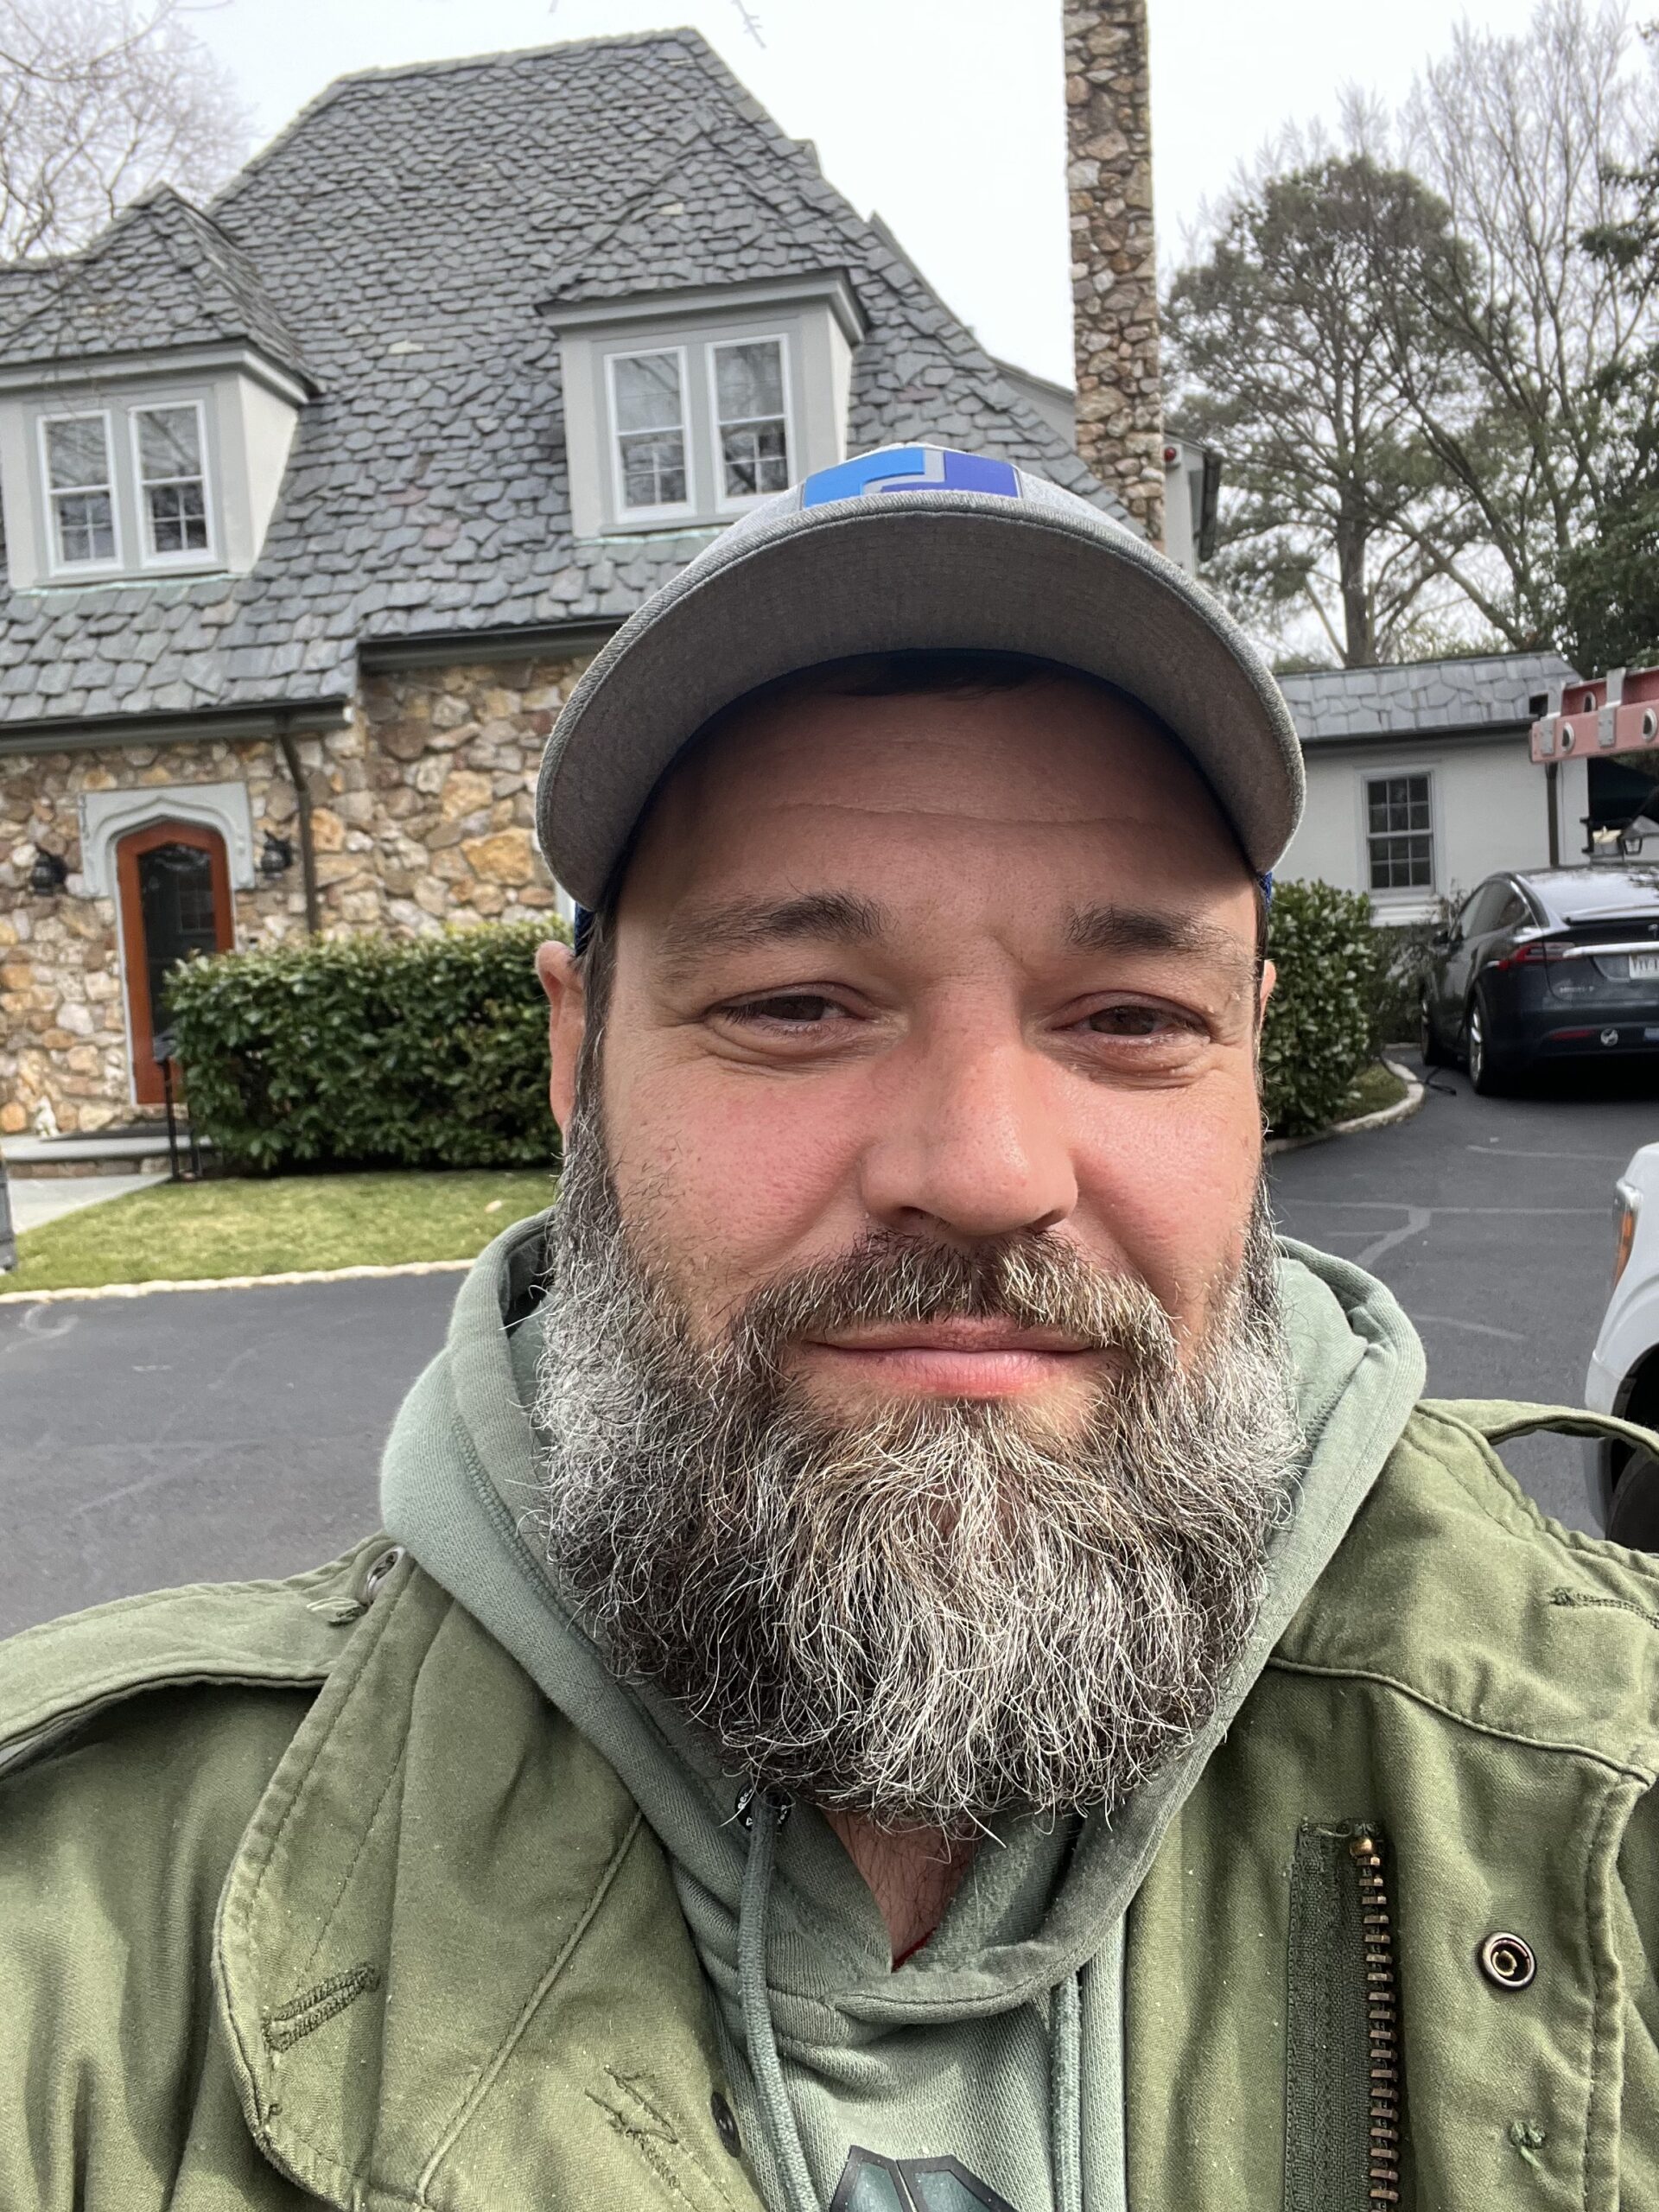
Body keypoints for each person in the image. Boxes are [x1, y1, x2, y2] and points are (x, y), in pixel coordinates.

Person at [3, 443, 1657, 2212]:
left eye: (1129, 1017)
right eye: (796, 1005)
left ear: (1249, 1057)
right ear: (579, 1053)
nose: (988, 1170)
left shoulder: (1612, 1770)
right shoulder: (83, 1923)